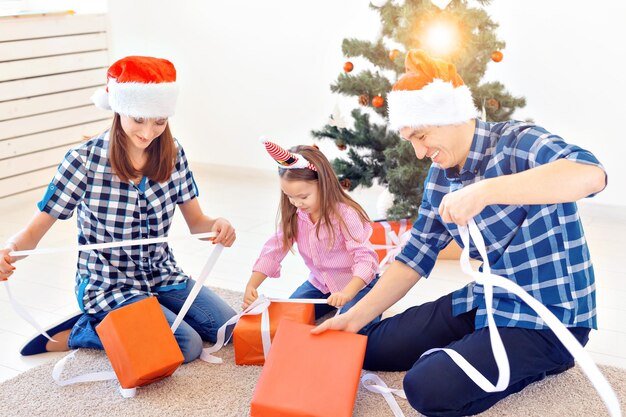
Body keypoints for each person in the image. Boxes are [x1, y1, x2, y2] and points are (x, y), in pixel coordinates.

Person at [312, 49, 607, 416]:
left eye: (421, 136)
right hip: (486, 299)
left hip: (550, 319)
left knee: (425, 387)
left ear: (450, 114)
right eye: (411, 141)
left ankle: (551, 358)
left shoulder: (518, 142)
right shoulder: (441, 176)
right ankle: (474, 343)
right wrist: (351, 319)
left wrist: (485, 191)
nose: (419, 153)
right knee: (364, 345)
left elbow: (591, 174)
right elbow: (416, 254)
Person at [0, 56, 237, 363]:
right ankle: (83, 330)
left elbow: (198, 223)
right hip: (108, 284)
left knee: (227, 328)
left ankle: (144, 318)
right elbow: (35, 230)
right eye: (138, 119)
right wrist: (9, 251)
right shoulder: (83, 161)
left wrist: (219, 226)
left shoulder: (173, 153)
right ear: (119, 108)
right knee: (186, 346)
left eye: (159, 121)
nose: (148, 131)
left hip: (161, 275)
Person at [243, 139, 380, 334]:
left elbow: (366, 258)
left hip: (359, 285)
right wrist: (252, 284)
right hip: (320, 286)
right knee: (287, 320)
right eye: (289, 196)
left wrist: (348, 293)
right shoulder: (295, 215)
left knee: (352, 329)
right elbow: (274, 250)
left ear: (323, 185)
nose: (296, 203)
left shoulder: (346, 214)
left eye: (303, 196)